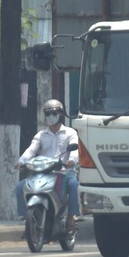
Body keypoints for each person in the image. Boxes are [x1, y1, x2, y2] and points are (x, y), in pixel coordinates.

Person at [15, 99, 81, 233]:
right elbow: (31, 150)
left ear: (60, 114)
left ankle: (71, 217)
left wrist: (71, 161)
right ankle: (27, 219)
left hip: (63, 171)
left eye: (54, 112)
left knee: (74, 185)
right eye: (48, 113)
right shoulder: (41, 135)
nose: (51, 116)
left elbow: (75, 151)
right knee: (20, 187)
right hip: (43, 172)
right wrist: (21, 161)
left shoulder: (70, 133)